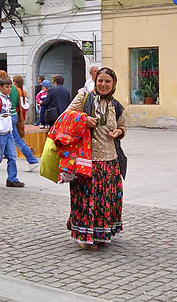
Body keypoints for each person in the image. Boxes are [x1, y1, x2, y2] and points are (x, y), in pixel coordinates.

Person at [66, 67, 126, 250]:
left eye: (108, 81)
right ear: (95, 81)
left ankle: (101, 234)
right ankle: (84, 236)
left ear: (113, 84)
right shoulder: (84, 97)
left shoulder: (115, 105)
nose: (103, 84)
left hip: (110, 160)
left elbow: (123, 126)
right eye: (100, 80)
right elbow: (66, 116)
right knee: (87, 199)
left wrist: (119, 132)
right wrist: (83, 118)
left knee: (106, 199)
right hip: (87, 160)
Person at [0, 70, 40, 171]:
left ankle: (32, 160)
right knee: (15, 142)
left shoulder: (3, 91)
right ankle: (24, 164)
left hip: (6, 118)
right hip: (13, 116)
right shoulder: (16, 89)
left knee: (17, 141)